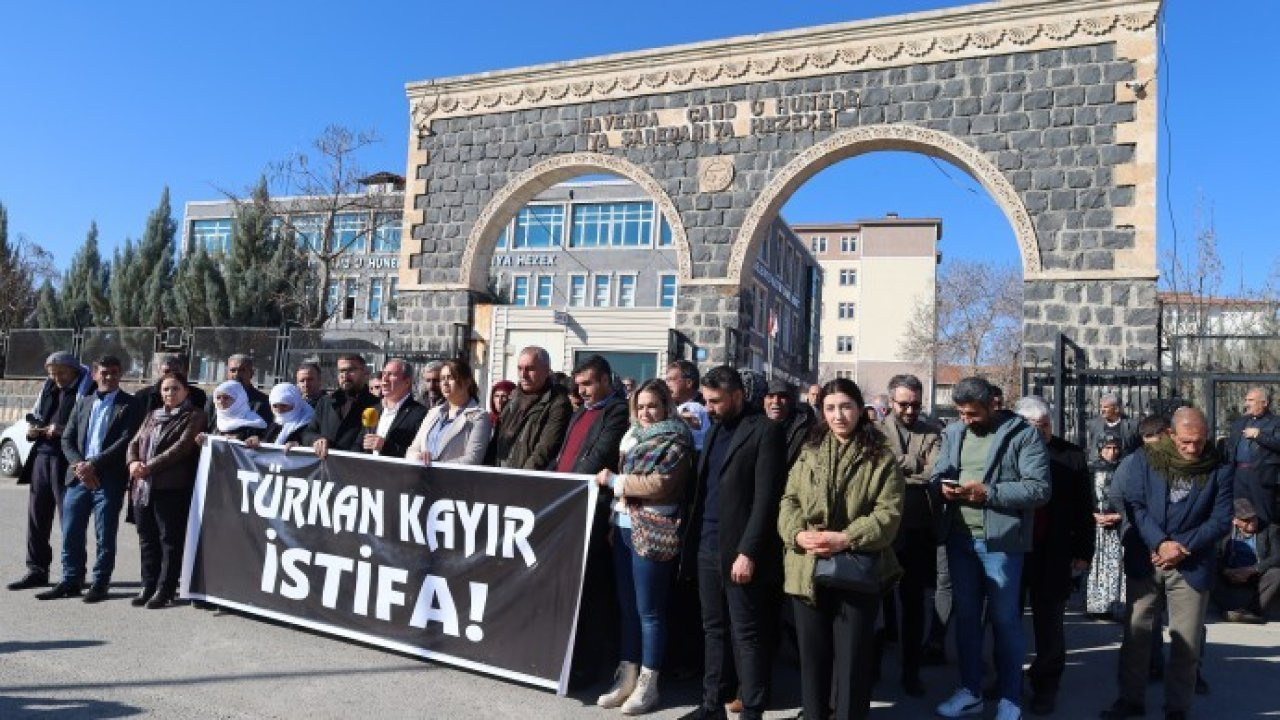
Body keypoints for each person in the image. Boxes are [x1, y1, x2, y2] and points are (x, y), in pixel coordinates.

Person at [779, 378, 904, 720]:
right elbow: (789, 499)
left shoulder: (879, 454)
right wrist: (797, 535)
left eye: (846, 407)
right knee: (813, 662)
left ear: (860, 410)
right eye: (830, 408)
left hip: (856, 569)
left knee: (852, 665)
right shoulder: (810, 450)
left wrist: (845, 538)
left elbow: (888, 514)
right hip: (807, 568)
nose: (838, 415)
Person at [1101, 407, 1233, 720]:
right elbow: (1135, 505)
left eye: (1199, 442)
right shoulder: (1147, 460)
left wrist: (1181, 548)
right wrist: (1160, 543)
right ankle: (1130, 699)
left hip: (1191, 563)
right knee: (1137, 635)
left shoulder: (1219, 466)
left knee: (1186, 644)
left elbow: (1221, 519)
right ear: (1171, 435)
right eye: (1186, 442)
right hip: (1147, 558)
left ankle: (1177, 709)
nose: (1192, 449)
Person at [932, 377, 1050, 720]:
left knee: (1004, 620)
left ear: (992, 405)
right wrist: (943, 486)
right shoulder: (954, 432)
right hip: (959, 538)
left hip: (1000, 543)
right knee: (966, 618)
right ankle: (971, 690)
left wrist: (989, 493)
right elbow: (940, 471)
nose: (966, 419)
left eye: (972, 413)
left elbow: (1039, 489)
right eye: (961, 413)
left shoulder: (1022, 434)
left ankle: (1010, 698)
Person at [679, 366, 785, 720]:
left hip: (739, 550)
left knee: (747, 633)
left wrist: (749, 552)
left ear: (738, 396)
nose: (708, 408)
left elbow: (766, 499)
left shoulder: (765, 431)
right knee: (713, 629)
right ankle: (711, 705)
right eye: (705, 401)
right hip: (707, 545)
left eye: (715, 401)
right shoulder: (713, 431)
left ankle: (752, 709)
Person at [594, 379, 695, 715]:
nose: (646, 413)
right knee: (627, 608)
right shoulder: (633, 437)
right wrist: (613, 519)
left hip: (654, 529)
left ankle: (649, 685)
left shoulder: (677, 439)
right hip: (623, 526)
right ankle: (627, 675)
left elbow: (660, 485)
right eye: (640, 407)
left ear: (666, 405)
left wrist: (614, 482)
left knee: (649, 611)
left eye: (653, 405)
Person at [34, 356, 141, 602]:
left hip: (109, 479)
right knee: (70, 531)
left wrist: (93, 464)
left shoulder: (131, 404)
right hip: (78, 477)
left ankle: (100, 583)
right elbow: (67, 438)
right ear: (94, 374)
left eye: (114, 372)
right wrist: (80, 466)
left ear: (120, 374)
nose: (109, 377)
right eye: (104, 373)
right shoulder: (84, 402)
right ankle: (71, 580)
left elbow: (125, 439)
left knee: (105, 534)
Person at [1014, 396, 1095, 716]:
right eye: (1034, 426)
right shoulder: (1010, 452)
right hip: (1016, 550)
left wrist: (1083, 551)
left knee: (1050, 625)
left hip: (1054, 552)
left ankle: (1046, 684)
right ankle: (1007, 677)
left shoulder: (1071, 456)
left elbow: (1082, 507)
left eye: (1045, 425)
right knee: (1006, 620)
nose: (1041, 432)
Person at [556, 354, 631, 687]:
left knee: (591, 593)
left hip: (593, 511)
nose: (582, 390)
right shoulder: (580, 413)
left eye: (588, 383)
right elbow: (563, 457)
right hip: (566, 505)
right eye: (578, 384)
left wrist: (562, 488)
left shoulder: (617, 412)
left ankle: (589, 665)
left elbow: (598, 457)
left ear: (605, 380)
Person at [876, 373, 942, 696]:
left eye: (916, 404)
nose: (910, 410)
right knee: (874, 602)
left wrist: (897, 466)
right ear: (891, 402)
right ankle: (870, 669)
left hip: (917, 529)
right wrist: (912, 463)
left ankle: (910, 672)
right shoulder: (873, 431)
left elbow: (936, 471)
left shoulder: (933, 432)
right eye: (904, 404)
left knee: (914, 605)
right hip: (880, 529)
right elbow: (874, 467)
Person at [8, 352, 96, 591]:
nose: (57, 378)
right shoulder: (48, 388)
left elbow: (91, 426)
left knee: (70, 520)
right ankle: (37, 570)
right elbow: (35, 417)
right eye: (52, 373)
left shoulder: (89, 391)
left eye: (61, 373)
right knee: (37, 518)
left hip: (67, 461)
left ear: (74, 371)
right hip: (41, 457)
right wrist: (33, 430)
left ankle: (73, 574)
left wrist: (63, 429)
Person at [126, 374, 207, 609]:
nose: (169, 393)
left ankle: (166, 588)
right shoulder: (153, 415)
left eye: (175, 389)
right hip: (143, 487)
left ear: (186, 392)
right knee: (146, 538)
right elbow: (134, 442)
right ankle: (148, 585)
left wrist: (148, 467)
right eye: (165, 389)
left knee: (169, 540)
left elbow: (181, 449)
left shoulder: (195, 416)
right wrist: (133, 463)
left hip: (170, 487)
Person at [491, 346, 572, 470]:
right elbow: (496, 442)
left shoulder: (557, 403)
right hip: (500, 475)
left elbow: (545, 449)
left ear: (547, 371)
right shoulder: (513, 399)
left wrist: (524, 478)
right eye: (520, 368)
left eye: (530, 369)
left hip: (526, 480)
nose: (523, 375)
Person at [407, 359, 492, 465]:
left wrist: (436, 467)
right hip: (423, 478)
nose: (445, 383)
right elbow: (412, 450)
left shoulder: (479, 417)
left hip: (453, 479)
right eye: (442, 379)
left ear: (467, 382)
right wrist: (418, 457)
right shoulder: (433, 413)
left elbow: (472, 459)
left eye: (451, 378)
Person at [1213, 498, 1280, 624]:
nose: (1252, 522)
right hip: (1230, 575)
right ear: (1235, 520)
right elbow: (1215, 555)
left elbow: (1277, 556)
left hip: (1256, 575)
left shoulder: (1270, 530)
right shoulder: (1223, 531)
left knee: (1276, 574)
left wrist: (1252, 570)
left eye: (1253, 518)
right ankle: (1229, 610)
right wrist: (1226, 571)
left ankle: (1253, 611)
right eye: (1246, 520)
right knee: (1208, 569)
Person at [302, 354, 380, 457]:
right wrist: (316, 439)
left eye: (350, 370)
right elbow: (308, 432)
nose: (345, 375)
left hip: (354, 469)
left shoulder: (376, 405)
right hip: (323, 467)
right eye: (341, 371)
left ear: (365, 372)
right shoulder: (326, 402)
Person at [1086, 435, 1127, 621]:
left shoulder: (1127, 469)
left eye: (1115, 448)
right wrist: (1093, 514)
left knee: (1118, 564)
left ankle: (1119, 606)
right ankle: (1098, 605)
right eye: (1108, 448)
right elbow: (1084, 495)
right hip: (1097, 525)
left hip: (1119, 524)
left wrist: (1119, 515)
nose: (1112, 452)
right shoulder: (1091, 469)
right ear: (1100, 449)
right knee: (1097, 563)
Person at [1226, 387, 1280, 523]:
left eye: (1251, 400)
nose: (1246, 404)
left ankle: (1265, 544)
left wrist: (1259, 435)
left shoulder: (1276, 422)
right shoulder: (1240, 422)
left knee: (1264, 519)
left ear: (1264, 402)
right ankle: (1241, 543)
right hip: (1239, 476)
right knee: (1240, 515)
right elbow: (1231, 448)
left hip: (1262, 477)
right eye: (1246, 400)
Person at [361, 359, 427, 459]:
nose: (385, 379)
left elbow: (420, 455)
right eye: (384, 374)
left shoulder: (420, 413)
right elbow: (358, 445)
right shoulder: (373, 410)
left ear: (407, 382)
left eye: (391, 375)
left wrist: (385, 446)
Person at [204, 354, 271, 426]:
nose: (237, 374)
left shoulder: (263, 402)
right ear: (227, 373)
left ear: (251, 373)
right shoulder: (214, 400)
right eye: (233, 370)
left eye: (242, 370)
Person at [245, 383, 315, 447]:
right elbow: (267, 442)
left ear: (296, 404)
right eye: (275, 406)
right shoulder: (275, 424)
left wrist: (300, 446)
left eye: (284, 405)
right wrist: (257, 440)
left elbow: (311, 442)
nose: (279, 410)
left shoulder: (308, 425)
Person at [198, 381, 268, 443]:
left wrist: (242, 439)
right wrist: (202, 442)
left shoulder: (255, 423)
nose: (221, 401)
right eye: (218, 397)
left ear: (239, 400)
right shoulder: (216, 419)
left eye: (226, 397)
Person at [137, 354, 207, 413]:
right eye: (166, 371)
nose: (171, 374)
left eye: (175, 371)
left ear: (183, 372)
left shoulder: (198, 395)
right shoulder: (143, 397)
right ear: (159, 372)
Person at [665, 360, 709, 451]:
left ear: (688, 383)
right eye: (666, 380)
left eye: (671, 380)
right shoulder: (672, 406)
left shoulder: (699, 408)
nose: (667, 385)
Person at [1087, 393, 1142, 459]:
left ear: (1116, 409)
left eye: (1106, 407)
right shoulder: (1094, 424)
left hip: (1124, 465)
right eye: (1101, 406)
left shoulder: (1133, 425)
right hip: (1100, 466)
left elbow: (1139, 447)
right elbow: (1093, 445)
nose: (1102, 410)